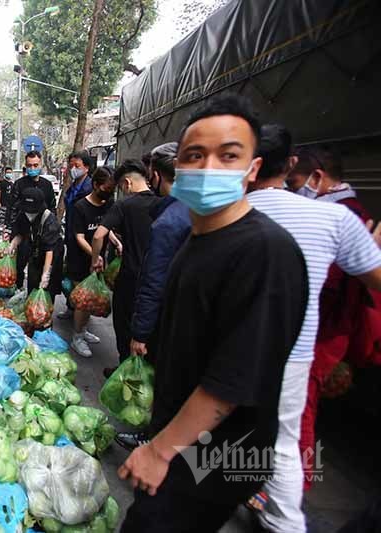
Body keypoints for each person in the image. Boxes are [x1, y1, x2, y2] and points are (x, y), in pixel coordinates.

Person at [117, 93, 308, 532]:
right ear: (175, 168)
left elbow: (231, 382)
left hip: (216, 453)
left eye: (229, 155)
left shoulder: (265, 251)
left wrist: (160, 450)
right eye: (195, 155)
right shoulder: (196, 240)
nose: (208, 168)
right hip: (189, 441)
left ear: (253, 169)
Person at [244, 127, 381, 532]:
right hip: (297, 350)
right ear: (287, 165)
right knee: (286, 444)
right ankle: (280, 519)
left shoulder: (226, 213)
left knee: (218, 435)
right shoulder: (337, 218)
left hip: (233, 348)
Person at [291, 145, 381, 494]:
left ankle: (293, 490)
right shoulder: (339, 212)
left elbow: (327, 284)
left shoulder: (345, 217)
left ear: (318, 178)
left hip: (325, 333)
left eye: (296, 181)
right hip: (320, 330)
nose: (293, 189)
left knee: (303, 411)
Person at [114, 142, 191, 451]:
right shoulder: (202, 212)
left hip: (169, 319)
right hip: (191, 318)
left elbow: (154, 281)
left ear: (156, 176)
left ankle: (154, 438)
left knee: (163, 381)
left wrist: (141, 332)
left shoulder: (169, 221)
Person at [90, 159, 158, 366]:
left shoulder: (124, 205)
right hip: (155, 279)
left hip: (130, 278)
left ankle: (124, 370)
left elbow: (98, 235)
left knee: (124, 326)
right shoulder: (161, 203)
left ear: (127, 183)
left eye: (120, 187)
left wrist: (95, 259)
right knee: (148, 330)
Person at [66, 166, 117, 357]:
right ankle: (76, 337)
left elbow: (106, 228)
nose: (109, 192)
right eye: (106, 187)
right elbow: (79, 237)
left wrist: (116, 242)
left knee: (91, 299)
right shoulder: (80, 207)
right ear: (95, 185)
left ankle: (83, 329)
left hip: (98, 260)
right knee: (83, 301)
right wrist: (94, 256)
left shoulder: (109, 203)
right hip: (80, 260)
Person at [7, 151, 57, 288]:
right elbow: (11, 208)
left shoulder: (47, 185)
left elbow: (52, 207)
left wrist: (49, 227)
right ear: (25, 165)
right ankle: (18, 286)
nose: (33, 168)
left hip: (41, 233)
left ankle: (36, 287)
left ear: (40, 165)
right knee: (19, 262)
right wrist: (10, 231)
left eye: (36, 165)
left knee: (38, 264)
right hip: (23, 231)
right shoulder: (19, 184)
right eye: (30, 165)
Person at [57, 151, 95, 320]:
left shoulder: (90, 188)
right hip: (72, 238)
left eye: (77, 166)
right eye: (71, 166)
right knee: (70, 277)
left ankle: (82, 323)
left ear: (86, 168)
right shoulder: (72, 187)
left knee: (82, 283)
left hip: (85, 241)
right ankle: (71, 308)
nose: (73, 169)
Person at [7, 188, 63, 297]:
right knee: (33, 286)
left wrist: (46, 274)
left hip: (51, 256)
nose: (29, 213)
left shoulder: (49, 220)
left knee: (47, 289)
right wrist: (12, 245)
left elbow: (49, 250)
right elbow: (21, 233)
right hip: (35, 253)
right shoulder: (23, 214)